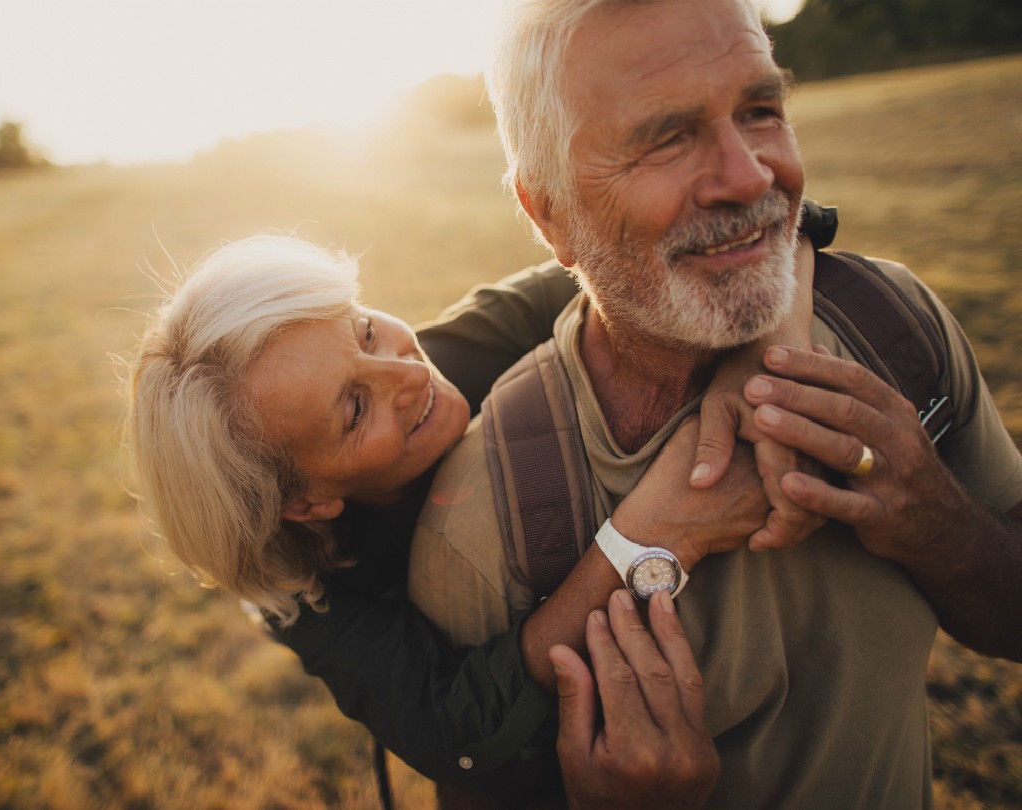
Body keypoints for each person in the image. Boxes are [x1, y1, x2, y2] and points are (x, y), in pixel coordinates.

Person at [407, 0, 1022, 807]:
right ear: (548, 210)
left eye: (761, 111)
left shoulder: (895, 327)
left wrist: (940, 523)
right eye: (665, 137)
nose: (751, 176)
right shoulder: (485, 524)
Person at [124, 227, 828, 805]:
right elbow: (452, 729)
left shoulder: (465, 341)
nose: (410, 373)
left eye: (364, 331)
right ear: (307, 503)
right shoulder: (303, 592)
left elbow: (748, 229)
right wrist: (653, 535)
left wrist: (764, 363)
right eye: (356, 409)